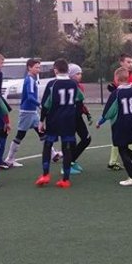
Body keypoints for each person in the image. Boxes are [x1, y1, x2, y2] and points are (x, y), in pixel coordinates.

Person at [97, 68, 132, 186]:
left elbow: (109, 111)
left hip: (120, 125)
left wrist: (100, 121)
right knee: (126, 148)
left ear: (116, 79)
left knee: (122, 149)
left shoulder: (116, 93)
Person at [36, 59, 82, 188]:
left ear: (55, 70)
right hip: (69, 121)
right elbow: (80, 99)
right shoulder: (73, 84)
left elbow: (45, 105)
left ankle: (45, 175)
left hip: (54, 120)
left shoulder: (52, 84)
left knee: (47, 145)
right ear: (67, 70)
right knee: (66, 148)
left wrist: (41, 121)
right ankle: (65, 179)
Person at [107, 53, 132, 170]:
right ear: (121, 63)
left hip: (127, 111)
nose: (131, 64)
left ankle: (113, 161)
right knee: (127, 137)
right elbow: (118, 94)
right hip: (121, 113)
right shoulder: (119, 75)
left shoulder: (131, 76)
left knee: (120, 138)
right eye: (128, 62)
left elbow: (126, 92)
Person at [68, 64, 93, 174]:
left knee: (86, 139)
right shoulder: (68, 87)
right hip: (69, 118)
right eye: (77, 74)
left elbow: (80, 104)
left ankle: (71, 161)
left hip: (77, 117)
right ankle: (67, 165)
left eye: (80, 73)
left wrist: (87, 114)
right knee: (71, 141)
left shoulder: (79, 87)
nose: (80, 75)